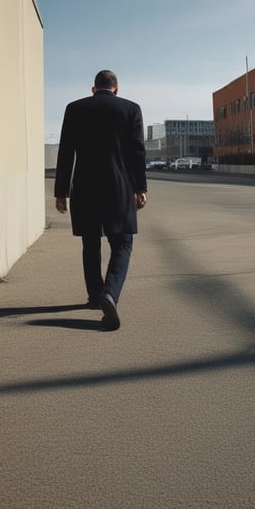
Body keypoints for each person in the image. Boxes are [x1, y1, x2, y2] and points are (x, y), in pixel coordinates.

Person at [54, 70, 148, 331]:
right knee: (122, 243)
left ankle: (95, 295)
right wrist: (140, 188)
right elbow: (137, 152)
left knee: (90, 241)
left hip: (85, 187)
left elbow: (65, 152)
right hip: (119, 187)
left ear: (93, 89)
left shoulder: (75, 108)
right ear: (116, 88)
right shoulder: (130, 109)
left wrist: (61, 192)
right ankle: (110, 294)